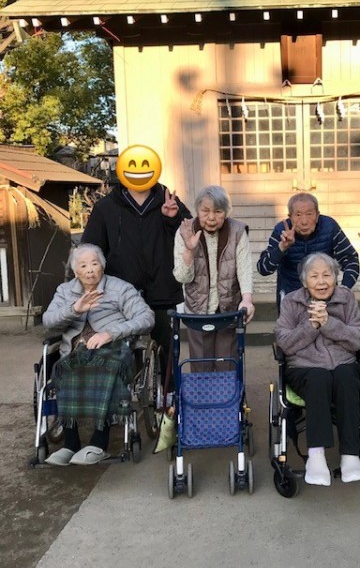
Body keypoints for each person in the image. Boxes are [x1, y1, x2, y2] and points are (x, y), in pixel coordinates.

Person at [42, 244, 155, 466]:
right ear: (76, 271)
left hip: (113, 348)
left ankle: (99, 442)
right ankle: (71, 444)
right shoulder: (64, 291)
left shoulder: (120, 288)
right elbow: (48, 321)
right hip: (76, 351)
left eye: (94, 263)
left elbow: (146, 318)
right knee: (63, 369)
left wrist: (110, 333)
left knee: (105, 368)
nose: (90, 270)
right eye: (83, 265)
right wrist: (75, 309)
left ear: (102, 266)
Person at [274, 252, 360, 486]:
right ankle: (316, 457)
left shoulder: (346, 299)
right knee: (318, 378)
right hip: (304, 367)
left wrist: (329, 323)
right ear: (304, 281)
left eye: (327, 275)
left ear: (336, 278)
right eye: (314, 276)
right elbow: (284, 342)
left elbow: (359, 338)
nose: (321, 281)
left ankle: (350, 455)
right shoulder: (291, 302)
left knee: (346, 377)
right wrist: (312, 325)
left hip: (342, 363)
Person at [81, 178, 191, 376]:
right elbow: (89, 249)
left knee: (167, 350)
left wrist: (172, 219)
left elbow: (190, 236)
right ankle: (123, 391)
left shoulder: (167, 199)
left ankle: (170, 392)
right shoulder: (106, 207)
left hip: (162, 290)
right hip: (120, 294)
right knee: (122, 348)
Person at [173, 185, 255, 366]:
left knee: (228, 365)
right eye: (205, 211)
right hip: (197, 310)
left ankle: (229, 387)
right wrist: (189, 250)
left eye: (218, 211)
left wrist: (247, 299)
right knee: (201, 366)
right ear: (197, 210)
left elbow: (244, 268)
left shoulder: (238, 231)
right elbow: (182, 277)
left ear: (226, 212)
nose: (211, 217)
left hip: (229, 307)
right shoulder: (185, 231)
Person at [257, 192, 360, 309]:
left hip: (325, 297)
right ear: (290, 217)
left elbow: (351, 260)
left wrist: (344, 289)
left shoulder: (329, 227)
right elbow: (263, 269)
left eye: (309, 214)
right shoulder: (281, 230)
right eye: (298, 215)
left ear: (317, 215)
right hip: (291, 298)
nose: (304, 221)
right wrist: (282, 247)